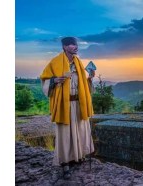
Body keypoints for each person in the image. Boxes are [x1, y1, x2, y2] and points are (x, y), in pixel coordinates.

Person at [40, 37, 95, 179]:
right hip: (64, 104)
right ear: (65, 47)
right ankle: (65, 163)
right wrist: (54, 80)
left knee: (79, 130)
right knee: (65, 133)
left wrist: (90, 78)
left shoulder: (78, 62)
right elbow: (44, 80)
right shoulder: (55, 62)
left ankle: (78, 157)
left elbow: (83, 83)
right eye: (72, 45)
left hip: (79, 103)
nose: (75, 47)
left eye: (76, 44)